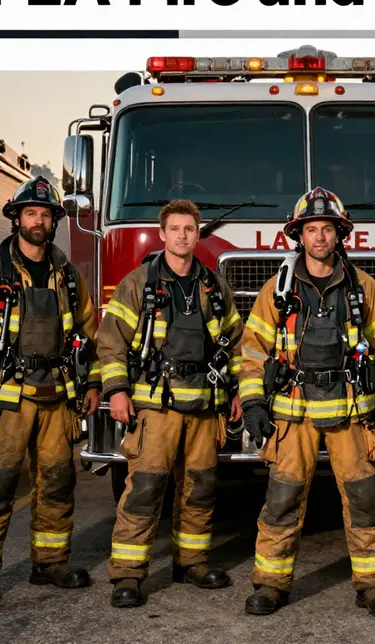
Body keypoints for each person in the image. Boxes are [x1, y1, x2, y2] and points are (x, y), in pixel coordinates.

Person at [239, 187, 375, 617]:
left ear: (339, 235)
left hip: (350, 412)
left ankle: (374, 584)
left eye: (327, 229)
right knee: (282, 499)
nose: (319, 237)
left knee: (364, 497)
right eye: (311, 229)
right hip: (293, 413)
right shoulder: (278, 290)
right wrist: (253, 405)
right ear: (299, 235)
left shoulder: (362, 288)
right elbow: (252, 352)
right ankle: (270, 584)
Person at [0, 176, 100, 609]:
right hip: (8, 397)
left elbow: (90, 335)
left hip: (57, 397)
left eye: (45, 214)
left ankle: (50, 562)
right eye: (30, 213)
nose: (38, 221)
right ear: (16, 220)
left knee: (57, 482)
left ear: (54, 221)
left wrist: (92, 383)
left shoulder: (68, 276)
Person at [98, 199, 243, 608]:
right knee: (145, 489)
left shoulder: (213, 286)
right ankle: (128, 574)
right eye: (175, 229)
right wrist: (117, 391)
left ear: (198, 235)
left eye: (189, 229)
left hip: (205, 407)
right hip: (155, 408)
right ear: (162, 234)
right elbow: (111, 342)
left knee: (200, 488)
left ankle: (191, 562)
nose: (182, 235)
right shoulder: (138, 284)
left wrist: (236, 391)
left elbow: (236, 342)